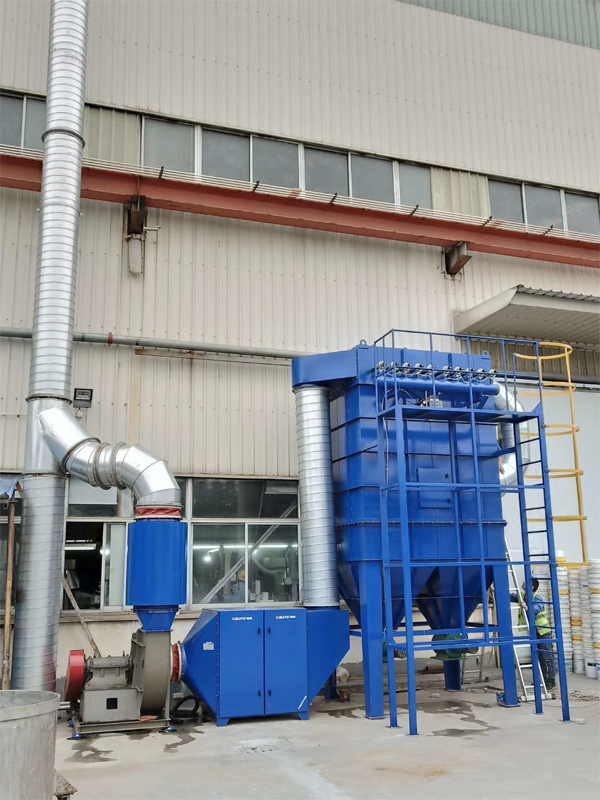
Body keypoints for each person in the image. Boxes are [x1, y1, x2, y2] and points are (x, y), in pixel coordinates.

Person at [511, 578, 555, 690]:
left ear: (532, 587)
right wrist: (494, 589)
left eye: (526, 583)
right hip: (534, 632)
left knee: (547, 657)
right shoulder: (523, 596)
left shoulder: (537, 597)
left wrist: (527, 607)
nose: (523, 583)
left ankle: (551, 681)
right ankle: (542, 680)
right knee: (539, 657)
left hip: (543, 631)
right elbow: (511, 596)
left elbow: (537, 608)